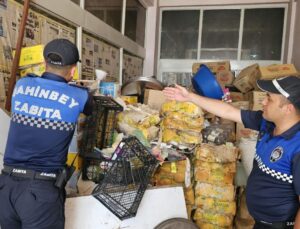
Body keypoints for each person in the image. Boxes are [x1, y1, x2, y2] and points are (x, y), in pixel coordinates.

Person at [163, 76, 300, 229]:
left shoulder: (297, 146)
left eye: (270, 98)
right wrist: (189, 96)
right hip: (261, 222)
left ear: (288, 109)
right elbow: (227, 111)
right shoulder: (267, 123)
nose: (263, 102)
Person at [0, 38, 93, 229]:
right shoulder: (79, 96)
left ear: (44, 64)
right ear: (73, 70)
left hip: (6, 187)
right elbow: (91, 108)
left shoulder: (22, 84)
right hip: (40, 193)